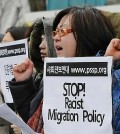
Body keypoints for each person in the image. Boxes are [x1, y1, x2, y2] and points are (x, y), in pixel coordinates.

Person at [9, 6, 119, 133]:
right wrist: (23, 83)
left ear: (87, 33)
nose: (55, 38)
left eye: (62, 31)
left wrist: (106, 68)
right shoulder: (53, 78)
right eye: (55, 33)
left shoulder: (114, 80)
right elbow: (34, 119)